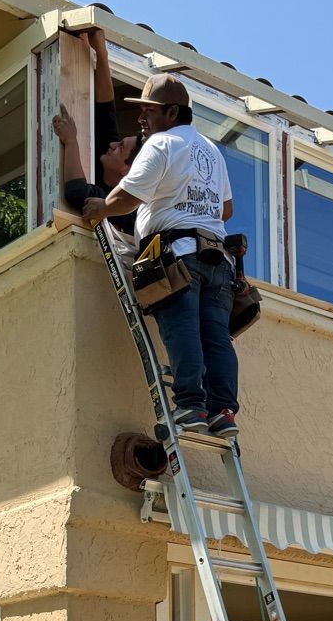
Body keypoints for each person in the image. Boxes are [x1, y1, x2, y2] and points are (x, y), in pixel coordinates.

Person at [81, 73, 240, 441]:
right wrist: (191, 205)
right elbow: (226, 209)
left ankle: (190, 405)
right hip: (216, 259)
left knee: (182, 328)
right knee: (216, 338)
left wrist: (101, 207)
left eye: (148, 112)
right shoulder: (211, 151)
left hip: (178, 256)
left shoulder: (161, 144)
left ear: (171, 112)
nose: (142, 120)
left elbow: (129, 197)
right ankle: (223, 411)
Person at [52, 25, 140, 234]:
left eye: (120, 148)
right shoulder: (107, 157)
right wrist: (100, 50)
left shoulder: (128, 207)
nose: (112, 144)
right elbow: (105, 105)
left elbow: (76, 192)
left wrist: (71, 141)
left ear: (126, 171)